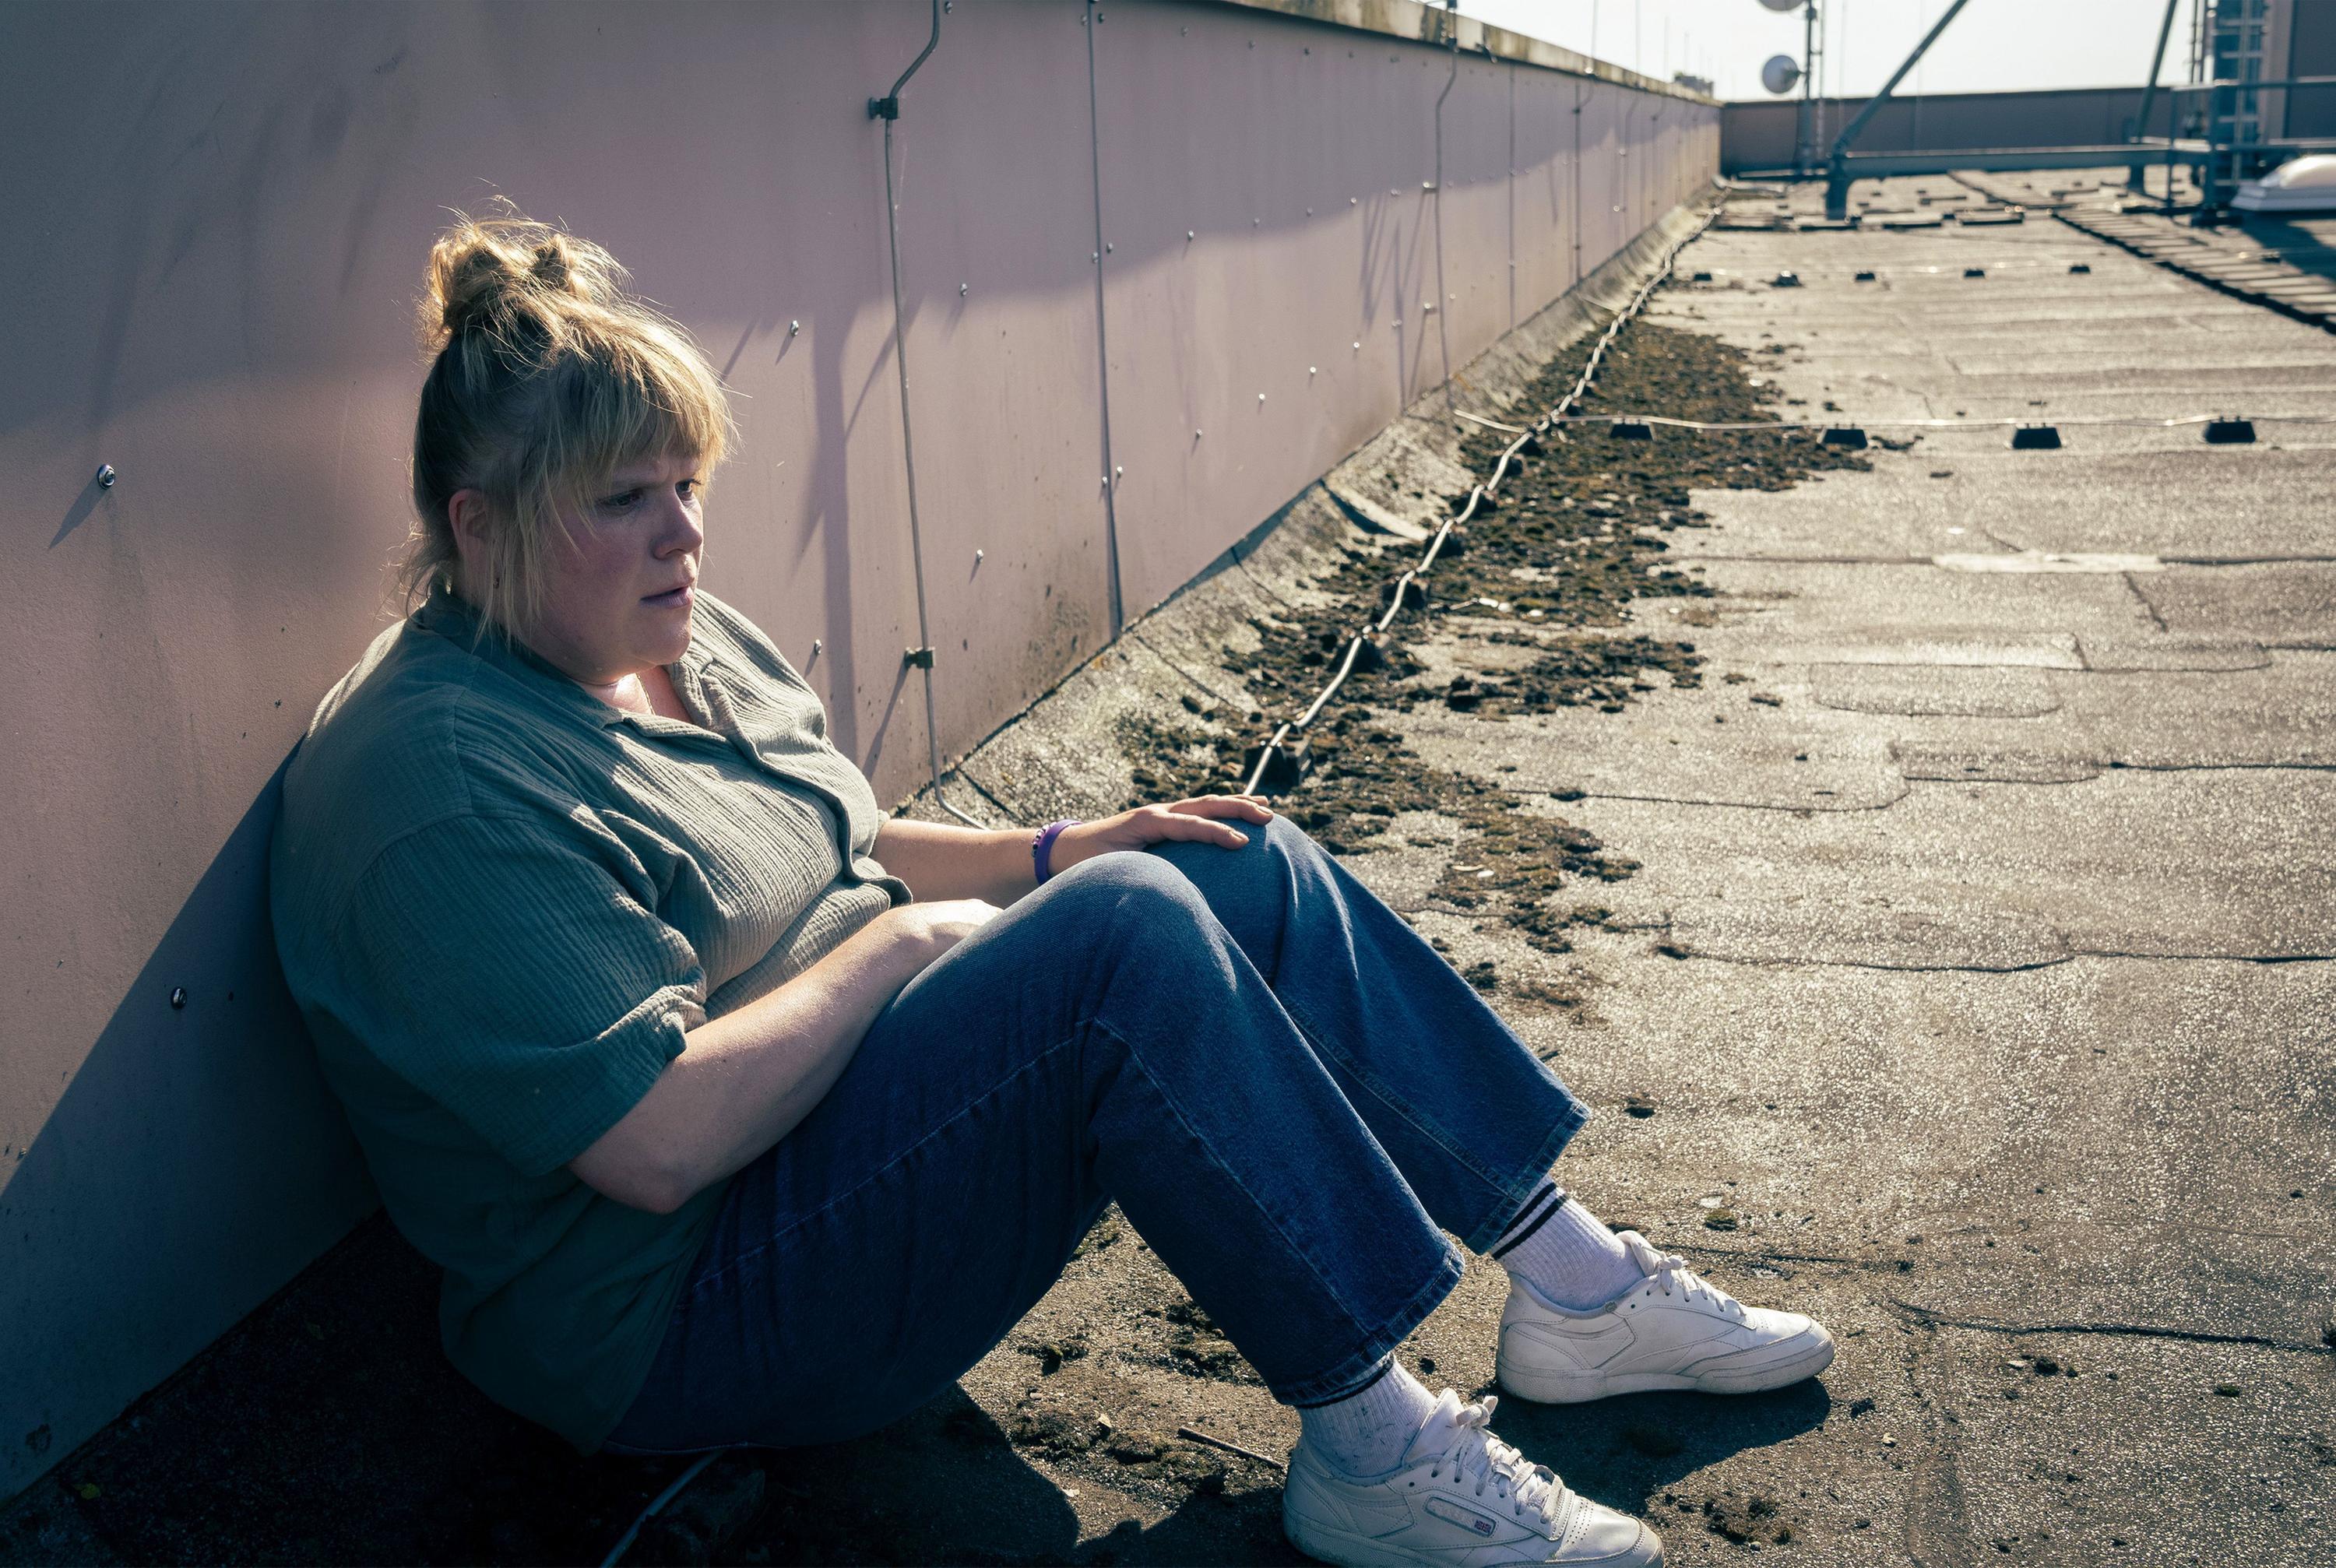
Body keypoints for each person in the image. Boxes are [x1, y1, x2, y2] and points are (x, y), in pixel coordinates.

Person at [270, 215, 1834, 1568]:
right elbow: (653, 1144)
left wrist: (1059, 846)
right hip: (678, 1316)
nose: (683, 532)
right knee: (1122, 939)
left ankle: (1574, 1286)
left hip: (833, 1145)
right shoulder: (441, 784)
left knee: (1216, 858)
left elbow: (845, 839)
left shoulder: (656, 631)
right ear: (479, 524)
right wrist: (905, 948)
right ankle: (1375, 1446)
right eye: (623, 498)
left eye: (686, 482)